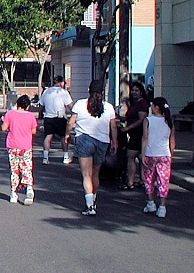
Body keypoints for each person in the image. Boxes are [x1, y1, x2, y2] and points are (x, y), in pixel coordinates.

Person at [66, 80, 118, 217]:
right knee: (95, 173)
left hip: (84, 139)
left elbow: (72, 121)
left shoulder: (80, 104)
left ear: (89, 89)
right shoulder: (109, 107)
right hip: (103, 141)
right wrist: (115, 142)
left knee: (86, 174)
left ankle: (90, 205)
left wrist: (67, 134)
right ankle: (94, 200)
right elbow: (113, 126)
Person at [142, 97, 176, 218]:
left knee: (148, 178)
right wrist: (171, 154)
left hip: (151, 153)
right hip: (164, 154)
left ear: (156, 107)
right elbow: (172, 140)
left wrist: (143, 153)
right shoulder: (169, 121)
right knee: (163, 181)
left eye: (152, 105)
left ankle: (150, 202)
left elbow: (145, 138)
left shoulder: (148, 120)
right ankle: (162, 207)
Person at [1, 93, 38, 205]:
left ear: (17, 104)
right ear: (28, 106)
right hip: (26, 146)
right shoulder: (31, 116)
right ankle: (29, 189)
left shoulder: (10, 114)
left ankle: (13, 193)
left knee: (14, 170)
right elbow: (34, 131)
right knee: (26, 168)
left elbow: (4, 128)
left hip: (13, 145)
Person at [119, 81, 149, 190]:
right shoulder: (135, 104)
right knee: (141, 157)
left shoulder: (142, 104)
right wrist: (118, 117)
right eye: (133, 90)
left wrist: (128, 128)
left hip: (138, 133)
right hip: (134, 134)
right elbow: (128, 118)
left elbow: (141, 120)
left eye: (137, 90)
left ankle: (130, 182)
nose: (134, 92)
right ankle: (142, 180)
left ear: (141, 92)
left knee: (130, 157)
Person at [38, 75, 72, 165]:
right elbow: (70, 106)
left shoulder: (46, 92)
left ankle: (45, 157)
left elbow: (41, 105)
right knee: (63, 137)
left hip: (48, 117)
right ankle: (65, 157)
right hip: (60, 117)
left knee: (48, 137)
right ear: (61, 82)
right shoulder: (64, 92)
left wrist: (40, 113)